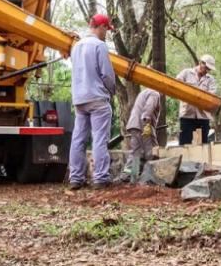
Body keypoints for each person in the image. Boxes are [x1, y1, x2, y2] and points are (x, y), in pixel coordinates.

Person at [68, 13, 117, 190]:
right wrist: (112, 91)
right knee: (99, 139)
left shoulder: (76, 46)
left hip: (80, 99)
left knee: (78, 139)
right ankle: (100, 178)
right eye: (107, 29)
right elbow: (106, 74)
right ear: (101, 27)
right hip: (97, 98)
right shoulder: (99, 46)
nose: (107, 33)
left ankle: (75, 178)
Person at [176, 54, 218, 145]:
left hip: (203, 117)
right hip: (187, 115)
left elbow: (211, 96)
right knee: (185, 143)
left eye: (209, 69)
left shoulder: (211, 80)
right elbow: (177, 84)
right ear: (200, 63)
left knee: (203, 145)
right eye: (206, 68)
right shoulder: (186, 73)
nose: (207, 71)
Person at [124, 88, 161, 178]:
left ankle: (129, 176)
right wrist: (147, 125)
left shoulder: (144, 92)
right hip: (143, 126)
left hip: (134, 125)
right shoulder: (155, 93)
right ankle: (151, 178)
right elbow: (148, 110)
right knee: (152, 152)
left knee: (135, 154)